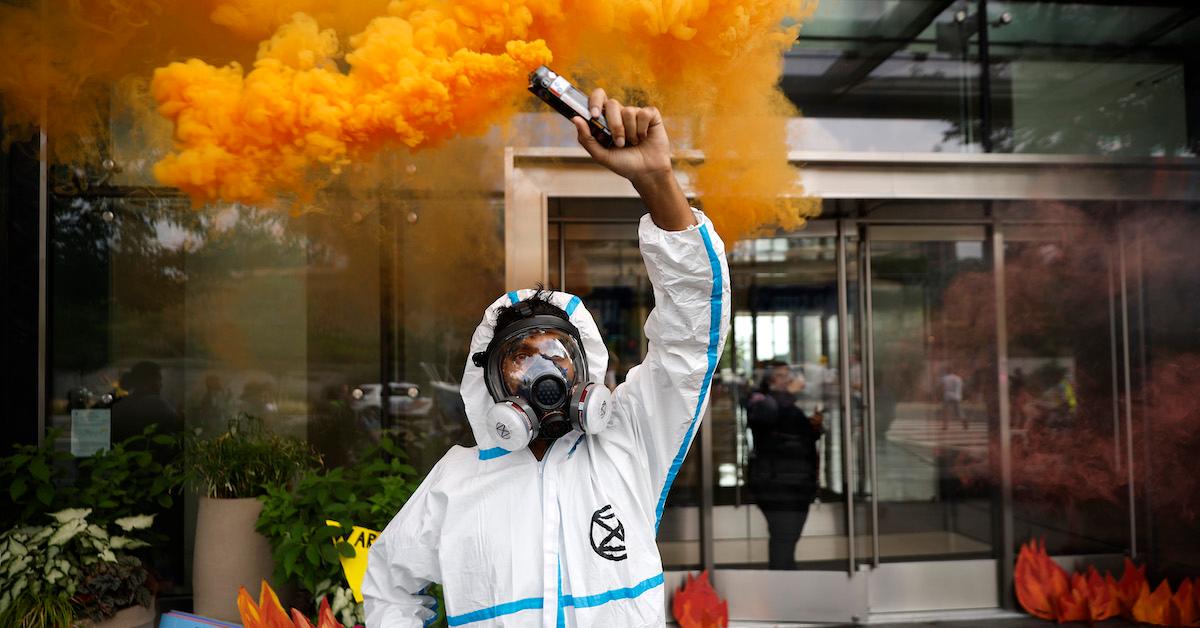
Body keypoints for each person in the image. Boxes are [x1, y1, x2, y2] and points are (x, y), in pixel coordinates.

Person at [363, 89, 731, 627]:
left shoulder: (629, 443)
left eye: (557, 352)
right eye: (520, 357)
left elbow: (691, 334)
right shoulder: (457, 482)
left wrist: (656, 181)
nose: (543, 371)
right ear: (492, 380)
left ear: (583, 369)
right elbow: (389, 587)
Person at [745, 362, 823, 570]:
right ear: (768, 379)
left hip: (797, 483)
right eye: (779, 375)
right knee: (784, 537)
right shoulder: (760, 400)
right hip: (776, 484)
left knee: (789, 537)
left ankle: (785, 579)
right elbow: (766, 416)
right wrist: (787, 393)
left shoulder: (786, 403)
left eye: (788, 375)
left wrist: (812, 427)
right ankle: (782, 583)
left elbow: (790, 434)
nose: (786, 380)